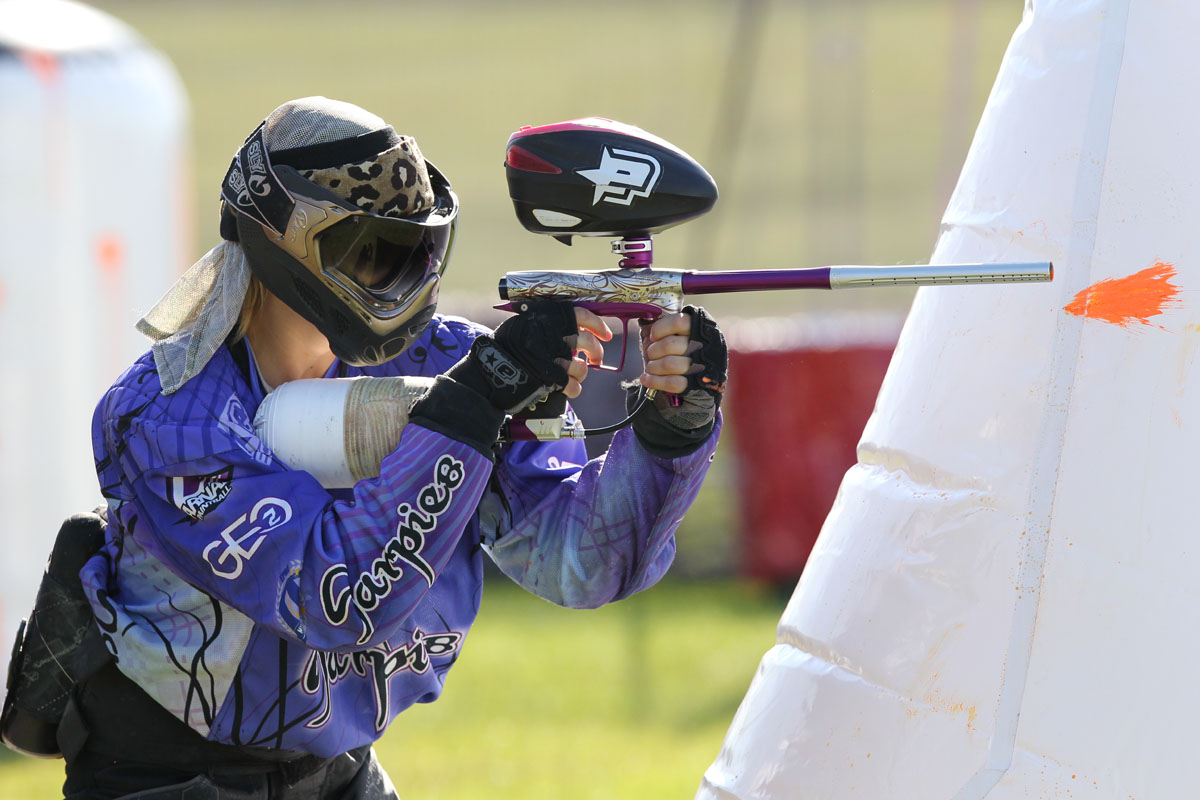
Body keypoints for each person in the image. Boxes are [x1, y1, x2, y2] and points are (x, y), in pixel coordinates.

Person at [63, 97, 727, 799]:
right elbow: (336, 599)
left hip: (338, 772)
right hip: (162, 777)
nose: (403, 280)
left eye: (417, 252)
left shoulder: (451, 359)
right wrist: (469, 409)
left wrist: (670, 433)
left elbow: (581, 564)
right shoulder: (165, 416)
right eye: (374, 254)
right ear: (283, 242)